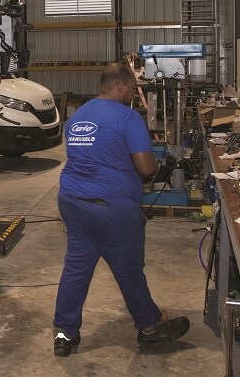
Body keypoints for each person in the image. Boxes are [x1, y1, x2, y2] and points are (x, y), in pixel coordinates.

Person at [53, 62, 190, 356]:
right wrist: (158, 164)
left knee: (76, 268)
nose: (132, 94)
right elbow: (145, 167)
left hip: (73, 202)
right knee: (128, 270)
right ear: (120, 85)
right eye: (131, 88)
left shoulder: (78, 115)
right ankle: (150, 326)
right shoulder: (128, 119)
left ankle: (64, 334)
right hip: (111, 208)